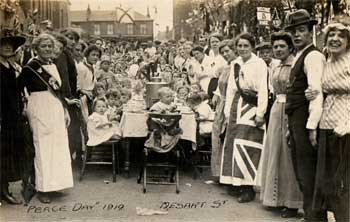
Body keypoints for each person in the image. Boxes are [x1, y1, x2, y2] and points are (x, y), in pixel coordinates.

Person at [284, 9, 327, 221]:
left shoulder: (314, 56)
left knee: (308, 172)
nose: (297, 35)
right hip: (296, 119)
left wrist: (311, 128)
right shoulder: (300, 56)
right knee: (301, 170)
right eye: (293, 32)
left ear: (311, 32)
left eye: (301, 30)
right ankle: (311, 214)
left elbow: (316, 93)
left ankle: (315, 217)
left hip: (306, 121)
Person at [20, 33, 73, 204]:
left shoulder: (53, 65)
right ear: (36, 49)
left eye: (50, 46)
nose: (48, 49)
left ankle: (55, 185)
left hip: (55, 107)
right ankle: (42, 188)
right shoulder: (30, 67)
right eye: (44, 46)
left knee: (57, 147)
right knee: (42, 148)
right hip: (40, 108)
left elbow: (59, 90)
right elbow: (19, 88)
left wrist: (64, 109)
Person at [259, 32, 303, 218]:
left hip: (290, 109)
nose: (277, 50)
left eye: (282, 46)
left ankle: (292, 202)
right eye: (275, 47)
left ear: (290, 47)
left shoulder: (296, 65)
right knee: (274, 150)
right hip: (276, 109)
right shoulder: (274, 67)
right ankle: (275, 198)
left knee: (287, 154)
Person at [221, 32, 268, 203]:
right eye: (239, 46)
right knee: (233, 145)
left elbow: (263, 89)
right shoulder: (236, 63)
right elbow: (231, 90)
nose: (242, 49)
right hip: (236, 107)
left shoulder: (259, 63)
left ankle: (248, 188)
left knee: (248, 145)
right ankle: (236, 183)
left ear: (252, 47)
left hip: (252, 106)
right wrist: (227, 113)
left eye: (245, 46)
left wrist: (260, 113)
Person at [313, 19, 350, 222]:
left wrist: (347, 125)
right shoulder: (326, 61)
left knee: (343, 182)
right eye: (331, 35)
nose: (335, 39)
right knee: (329, 184)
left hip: (345, 128)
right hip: (327, 125)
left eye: (341, 36)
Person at [0, 29, 26, 205]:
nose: (8, 47)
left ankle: (4, 190)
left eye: (10, 45)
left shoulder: (10, 67)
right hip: (2, 117)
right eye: (3, 44)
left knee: (8, 154)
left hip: (12, 117)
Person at [211, 39, 236, 180]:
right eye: (223, 52)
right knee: (217, 136)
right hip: (222, 103)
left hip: (231, 105)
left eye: (228, 51)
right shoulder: (225, 67)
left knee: (227, 137)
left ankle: (229, 174)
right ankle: (219, 173)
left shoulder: (237, 65)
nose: (225, 54)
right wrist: (217, 95)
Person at [76, 45, 101, 122]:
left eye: (97, 55)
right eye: (93, 55)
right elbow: (77, 85)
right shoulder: (81, 67)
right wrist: (85, 92)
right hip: (82, 98)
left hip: (90, 97)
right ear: (87, 55)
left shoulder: (93, 67)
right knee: (85, 120)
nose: (95, 57)